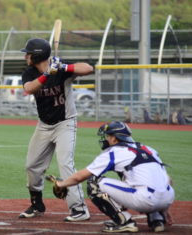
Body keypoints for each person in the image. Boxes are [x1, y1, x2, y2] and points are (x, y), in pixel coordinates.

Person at [18, 38, 94, 222]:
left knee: (65, 163)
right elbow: (28, 89)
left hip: (65, 123)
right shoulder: (29, 72)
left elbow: (88, 68)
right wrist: (46, 74)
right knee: (32, 166)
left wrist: (64, 68)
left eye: (28, 53)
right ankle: (37, 205)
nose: (26, 56)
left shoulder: (60, 68)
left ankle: (79, 209)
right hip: (44, 125)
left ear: (37, 55)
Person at [54, 121, 174, 232]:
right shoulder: (148, 149)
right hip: (167, 198)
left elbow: (79, 177)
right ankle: (157, 220)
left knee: (94, 183)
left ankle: (124, 221)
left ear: (114, 138)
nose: (106, 139)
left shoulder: (114, 151)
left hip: (145, 199)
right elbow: (168, 179)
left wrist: (61, 184)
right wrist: (165, 207)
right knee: (142, 180)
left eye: (107, 136)